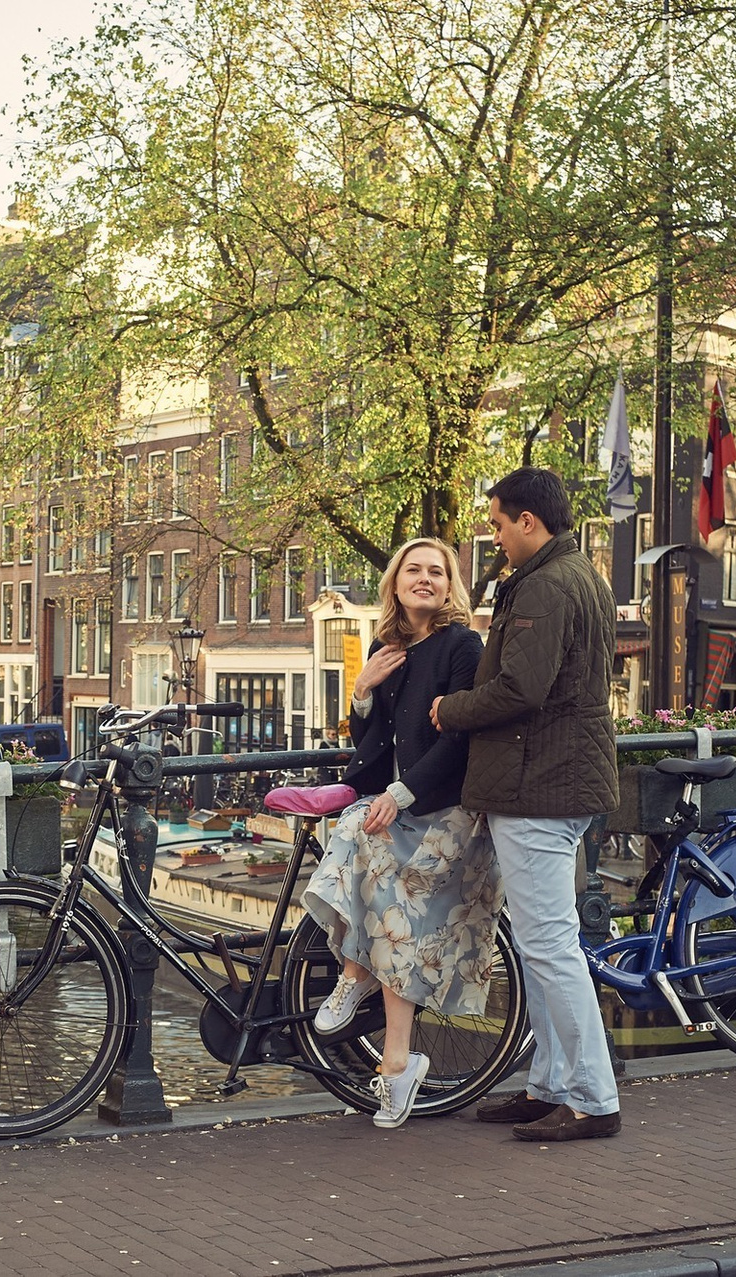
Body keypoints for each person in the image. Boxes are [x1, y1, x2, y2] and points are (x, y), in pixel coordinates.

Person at [431, 466, 622, 1142]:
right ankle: (550, 1086)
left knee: (550, 945)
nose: (495, 537)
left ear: (528, 522)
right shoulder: (581, 575)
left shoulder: (544, 584)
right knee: (544, 947)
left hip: (540, 783)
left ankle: (594, 1098)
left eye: (498, 524)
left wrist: (450, 708)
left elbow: (521, 688)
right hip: (556, 779)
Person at [301, 537, 499, 1130]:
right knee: (390, 908)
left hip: (449, 811)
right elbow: (374, 743)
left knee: (370, 852)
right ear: (395, 582)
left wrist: (399, 794)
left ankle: (354, 974)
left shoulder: (463, 645)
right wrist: (362, 692)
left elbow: (459, 738)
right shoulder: (386, 649)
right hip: (402, 810)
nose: (425, 579)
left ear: (449, 585)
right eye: (413, 569)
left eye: (436, 571)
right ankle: (395, 1061)